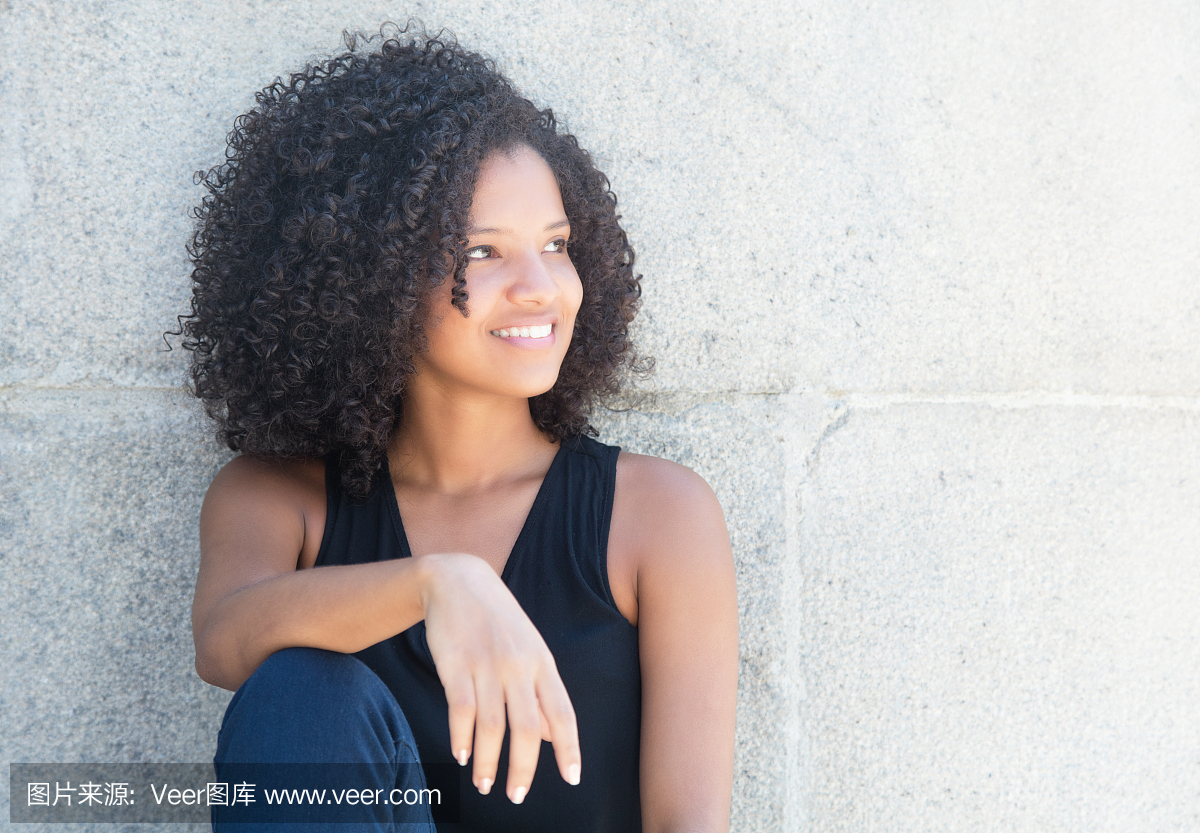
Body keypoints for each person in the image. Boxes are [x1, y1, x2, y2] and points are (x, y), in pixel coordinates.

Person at [177, 25, 737, 833]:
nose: (542, 288)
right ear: (372, 274)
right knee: (305, 690)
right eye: (482, 251)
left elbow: (688, 822)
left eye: (556, 244)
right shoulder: (278, 496)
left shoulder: (657, 514)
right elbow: (224, 640)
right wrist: (438, 582)